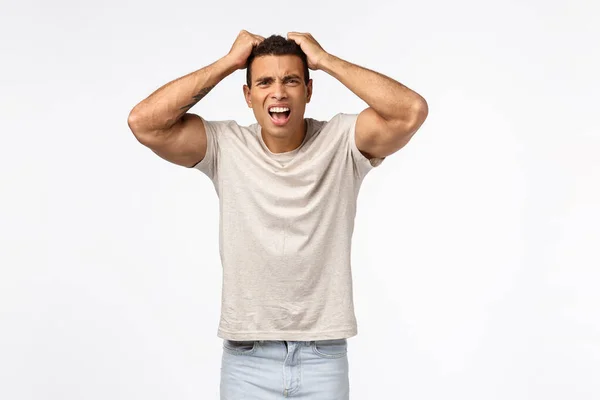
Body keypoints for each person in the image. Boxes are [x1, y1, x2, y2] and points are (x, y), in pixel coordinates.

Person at [127, 30, 428, 400]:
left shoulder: (343, 140)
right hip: (247, 359)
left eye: (291, 80)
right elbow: (144, 122)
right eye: (265, 82)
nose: (279, 92)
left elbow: (410, 111)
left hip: (323, 355)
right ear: (248, 95)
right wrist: (227, 64)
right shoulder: (226, 145)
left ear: (309, 90)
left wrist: (325, 59)